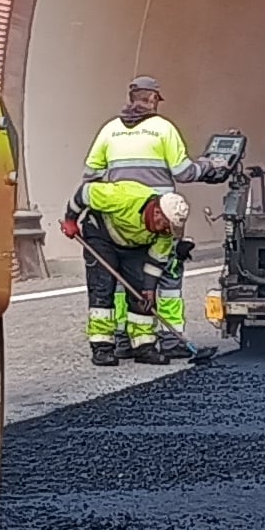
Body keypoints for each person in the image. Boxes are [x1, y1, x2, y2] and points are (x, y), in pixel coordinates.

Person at [72, 75, 201, 365]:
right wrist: (210, 167)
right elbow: (183, 172)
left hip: (127, 219)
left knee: (124, 284)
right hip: (151, 220)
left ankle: (125, 341)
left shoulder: (109, 131)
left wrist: (117, 186)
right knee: (159, 279)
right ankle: (165, 340)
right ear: (153, 99)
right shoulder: (163, 129)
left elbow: (90, 173)